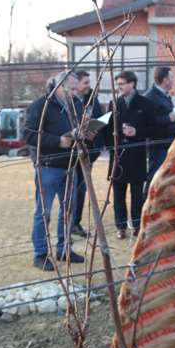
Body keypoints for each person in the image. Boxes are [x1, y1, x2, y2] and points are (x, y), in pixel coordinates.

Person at [24, 71, 94, 270]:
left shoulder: (75, 105)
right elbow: (29, 135)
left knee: (68, 212)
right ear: (58, 86)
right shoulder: (40, 105)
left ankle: (64, 249)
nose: (74, 93)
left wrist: (85, 133)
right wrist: (58, 141)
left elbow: (79, 129)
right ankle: (41, 254)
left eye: (75, 89)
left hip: (70, 166)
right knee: (43, 213)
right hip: (48, 167)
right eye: (70, 89)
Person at [105, 70, 155, 239]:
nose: (119, 87)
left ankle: (136, 225)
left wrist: (137, 132)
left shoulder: (145, 103)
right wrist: (112, 145)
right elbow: (108, 129)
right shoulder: (114, 103)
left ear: (132, 83)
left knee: (136, 195)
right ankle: (120, 227)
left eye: (122, 83)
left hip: (137, 156)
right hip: (118, 157)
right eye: (117, 84)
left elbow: (153, 128)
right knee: (118, 194)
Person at [71, 70, 104, 237]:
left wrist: (95, 131)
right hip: (71, 151)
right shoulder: (69, 100)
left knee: (82, 188)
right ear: (75, 84)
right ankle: (69, 223)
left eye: (89, 83)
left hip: (89, 150)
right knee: (72, 189)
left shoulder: (92, 98)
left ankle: (75, 223)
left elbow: (98, 118)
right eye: (85, 82)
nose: (88, 86)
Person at [144, 66, 175, 187]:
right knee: (155, 178)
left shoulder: (165, 95)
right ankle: (148, 203)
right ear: (165, 80)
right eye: (172, 78)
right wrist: (168, 119)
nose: (174, 81)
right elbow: (148, 122)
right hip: (157, 146)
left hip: (168, 144)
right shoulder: (150, 97)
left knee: (166, 179)